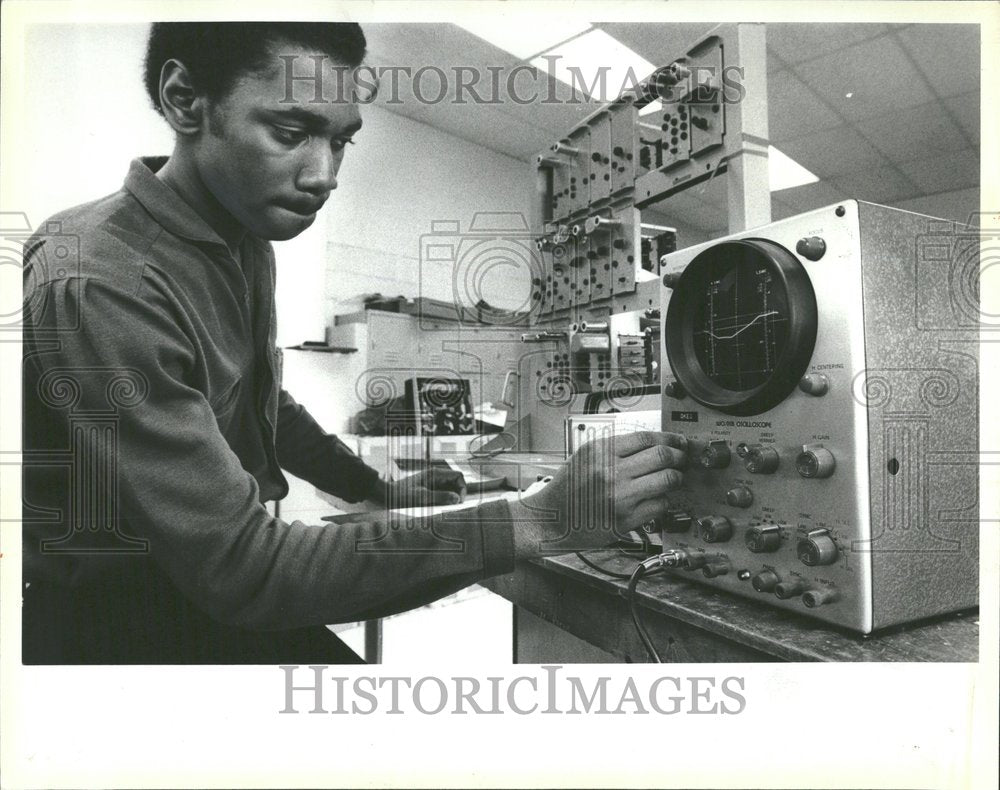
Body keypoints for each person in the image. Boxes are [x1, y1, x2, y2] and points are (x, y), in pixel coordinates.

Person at [21, 22, 687, 664]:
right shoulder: (102, 276)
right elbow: (245, 569)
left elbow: (259, 401)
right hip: (118, 631)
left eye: (342, 142)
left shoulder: (240, 240)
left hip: (204, 602)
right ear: (185, 100)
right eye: (290, 131)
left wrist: (376, 486)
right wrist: (541, 520)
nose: (324, 174)